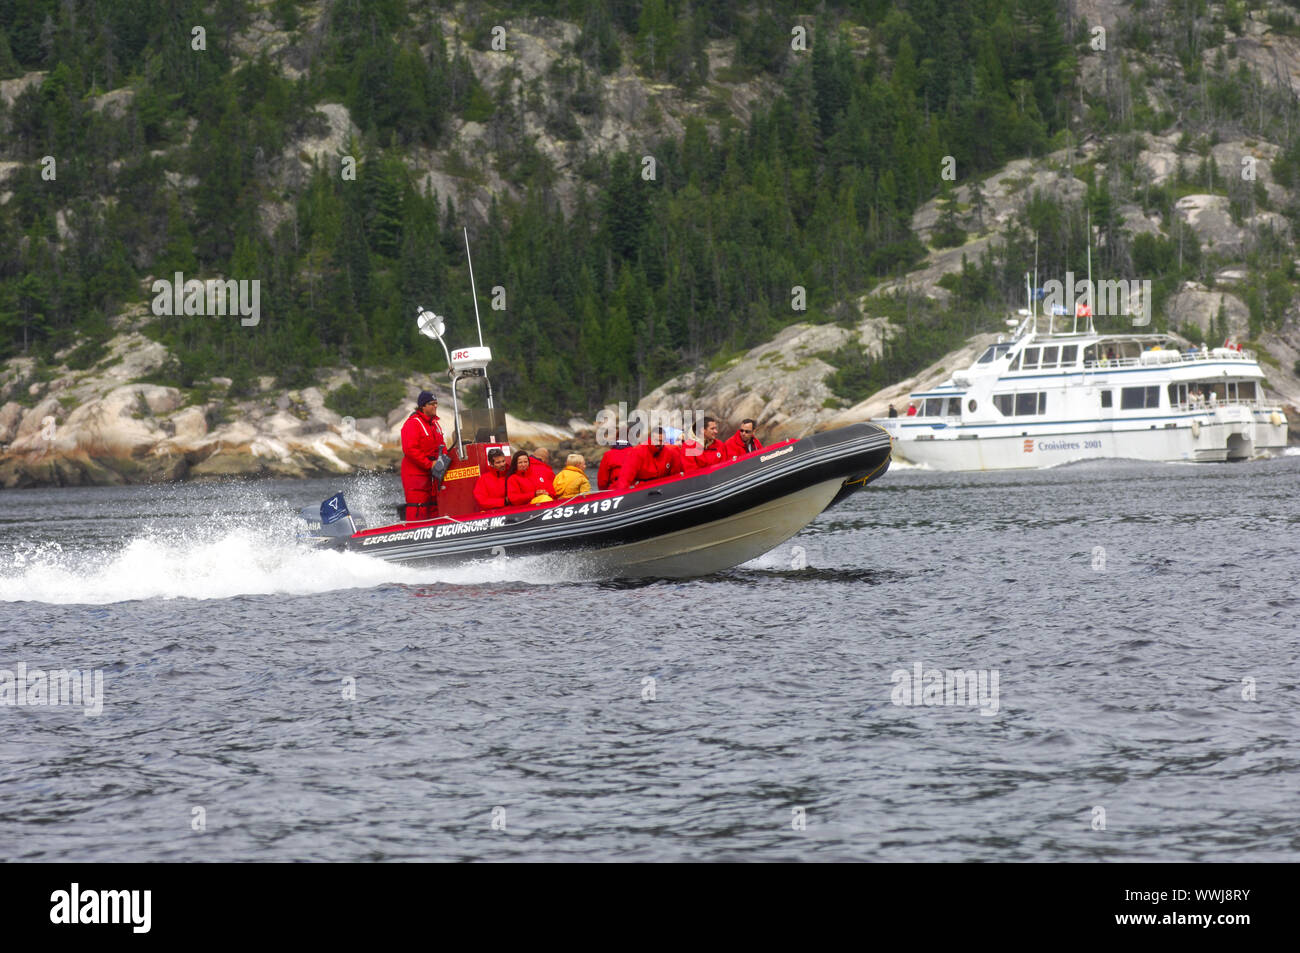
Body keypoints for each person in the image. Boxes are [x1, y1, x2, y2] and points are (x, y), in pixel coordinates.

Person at [400, 390, 452, 520]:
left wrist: (443, 462)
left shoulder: (435, 424)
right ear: (423, 406)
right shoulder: (412, 423)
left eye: (436, 403)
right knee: (419, 506)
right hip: (416, 474)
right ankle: (414, 533)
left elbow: (442, 446)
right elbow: (410, 450)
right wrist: (430, 464)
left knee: (435, 504)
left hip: (434, 473)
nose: (435, 406)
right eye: (432, 403)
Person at [616, 427, 685, 489]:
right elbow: (624, 480)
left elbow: (676, 476)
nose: (659, 443)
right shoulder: (637, 452)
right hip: (641, 490)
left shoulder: (671, 451)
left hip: (663, 489)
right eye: (656, 440)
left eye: (662, 441)